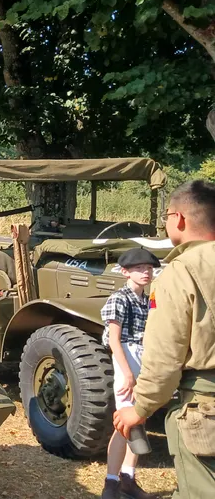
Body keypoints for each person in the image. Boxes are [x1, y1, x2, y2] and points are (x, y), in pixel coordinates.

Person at [114, 180, 215, 498]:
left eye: (167, 216)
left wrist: (140, 408)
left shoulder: (180, 272)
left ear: (179, 219)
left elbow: (165, 356)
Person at [99, 247, 161, 499]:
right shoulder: (119, 298)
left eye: (148, 268)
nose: (145, 272)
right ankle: (111, 482)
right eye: (139, 268)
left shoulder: (149, 300)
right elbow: (114, 340)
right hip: (126, 356)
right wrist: (128, 374)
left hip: (144, 356)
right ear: (125, 272)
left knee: (139, 418)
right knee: (124, 422)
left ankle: (128, 477)